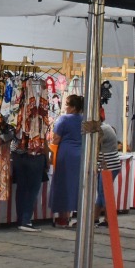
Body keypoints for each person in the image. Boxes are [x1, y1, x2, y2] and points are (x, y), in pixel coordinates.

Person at [12, 98, 51, 234]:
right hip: (35, 156)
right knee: (32, 190)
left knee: (22, 189)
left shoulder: (17, 117)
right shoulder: (40, 120)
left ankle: (21, 219)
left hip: (18, 156)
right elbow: (43, 142)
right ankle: (26, 220)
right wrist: (47, 159)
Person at [49, 94, 85, 228]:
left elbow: (56, 138)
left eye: (67, 105)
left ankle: (63, 218)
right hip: (80, 154)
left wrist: (50, 154)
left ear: (73, 107)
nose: (65, 107)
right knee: (76, 185)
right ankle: (74, 216)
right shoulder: (84, 120)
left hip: (65, 154)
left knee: (62, 184)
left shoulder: (64, 119)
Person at [90, 111, 123, 227]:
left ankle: (110, 220)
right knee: (101, 192)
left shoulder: (101, 130)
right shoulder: (106, 127)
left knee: (105, 193)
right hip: (109, 164)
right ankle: (95, 218)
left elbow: (95, 146)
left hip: (108, 165)